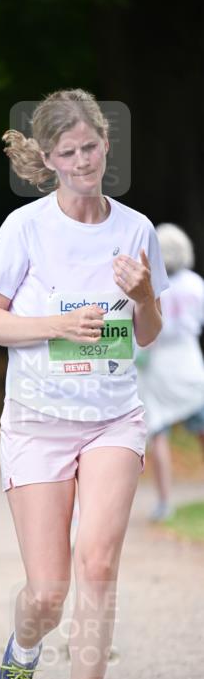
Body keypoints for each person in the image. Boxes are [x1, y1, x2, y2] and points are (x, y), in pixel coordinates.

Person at [0, 89, 168, 679]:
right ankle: (23, 650)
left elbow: (147, 333)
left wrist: (142, 296)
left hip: (113, 416)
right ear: (49, 160)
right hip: (38, 420)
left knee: (99, 564)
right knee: (48, 591)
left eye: (91, 147)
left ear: (106, 144)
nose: (83, 161)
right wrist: (56, 324)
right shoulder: (24, 229)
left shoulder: (136, 230)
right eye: (68, 152)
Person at [136, 223, 204, 521]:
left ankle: (165, 502)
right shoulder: (196, 284)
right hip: (189, 362)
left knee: (158, 431)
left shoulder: (154, 286)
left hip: (158, 363)